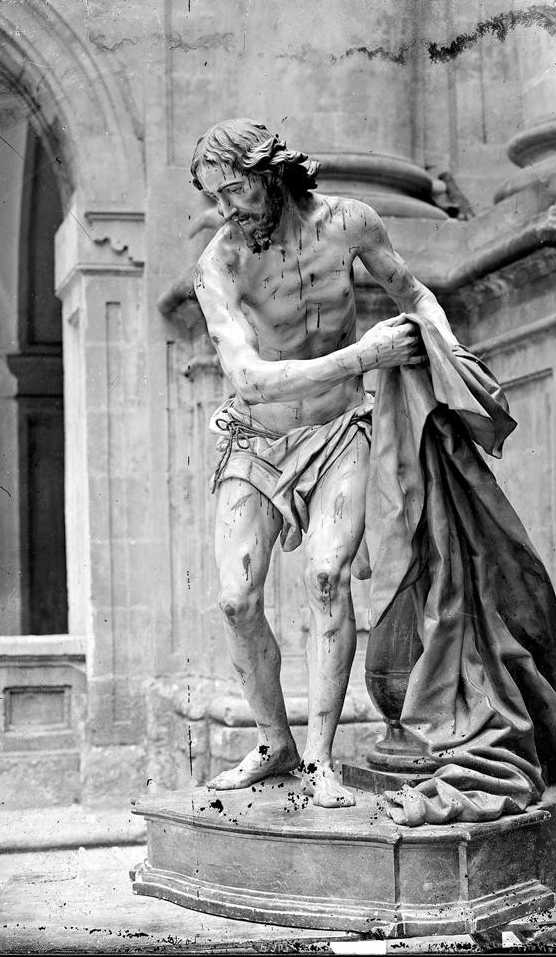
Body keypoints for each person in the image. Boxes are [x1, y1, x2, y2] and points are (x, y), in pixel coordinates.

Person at [191, 119, 458, 808]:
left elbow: (414, 294)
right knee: (235, 597)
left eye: (232, 193)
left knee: (328, 578)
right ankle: (274, 741)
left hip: (341, 428)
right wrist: (365, 356)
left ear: (269, 172)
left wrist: (449, 355)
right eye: (214, 200)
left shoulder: (351, 223)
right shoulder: (220, 263)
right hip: (255, 434)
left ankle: (318, 760)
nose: (224, 213)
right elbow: (248, 379)